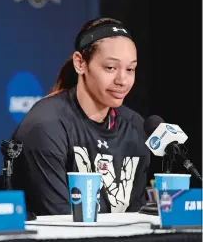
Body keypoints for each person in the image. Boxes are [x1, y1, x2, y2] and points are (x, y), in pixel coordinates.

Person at [11, 17, 150, 216]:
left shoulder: (136, 127)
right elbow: (59, 222)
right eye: (110, 68)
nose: (122, 80)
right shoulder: (46, 126)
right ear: (80, 63)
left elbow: (137, 216)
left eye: (130, 69)